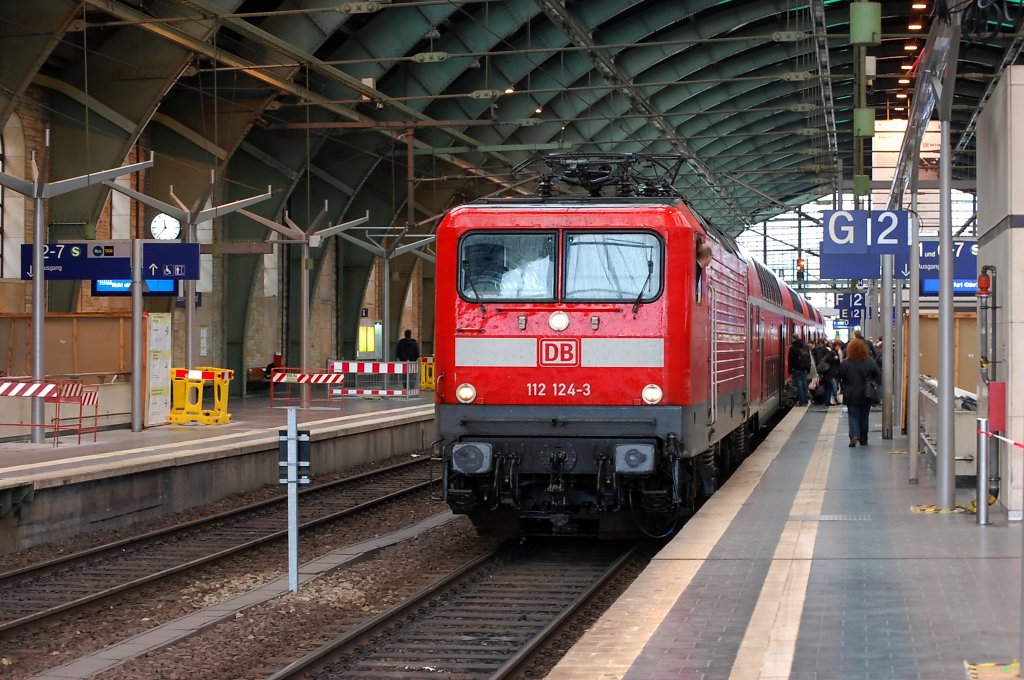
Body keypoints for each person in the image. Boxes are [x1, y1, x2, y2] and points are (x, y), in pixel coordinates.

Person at [838, 338, 881, 447]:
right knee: (864, 416)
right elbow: (877, 374)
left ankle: (853, 436)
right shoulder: (870, 361)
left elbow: (840, 375)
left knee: (853, 416)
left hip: (850, 393)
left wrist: (845, 384)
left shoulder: (846, 363)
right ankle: (863, 439)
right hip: (866, 393)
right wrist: (871, 382)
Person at [812, 338, 840, 406]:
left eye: (839, 346)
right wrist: (834, 358)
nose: (838, 347)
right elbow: (827, 359)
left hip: (830, 374)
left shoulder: (835, 353)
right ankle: (836, 400)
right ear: (834, 346)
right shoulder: (831, 353)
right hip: (830, 374)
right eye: (837, 346)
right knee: (834, 387)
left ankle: (827, 402)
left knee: (829, 389)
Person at [787, 336, 812, 406]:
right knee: (804, 385)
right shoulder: (805, 347)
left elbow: (790, 360)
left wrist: (789, 371)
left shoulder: (793, 348)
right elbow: (809, 359)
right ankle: (806, 400)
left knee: (799, 385)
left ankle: (801, 401)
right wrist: (808, 369)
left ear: (793, 339)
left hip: (797, 369)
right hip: (804, 369)